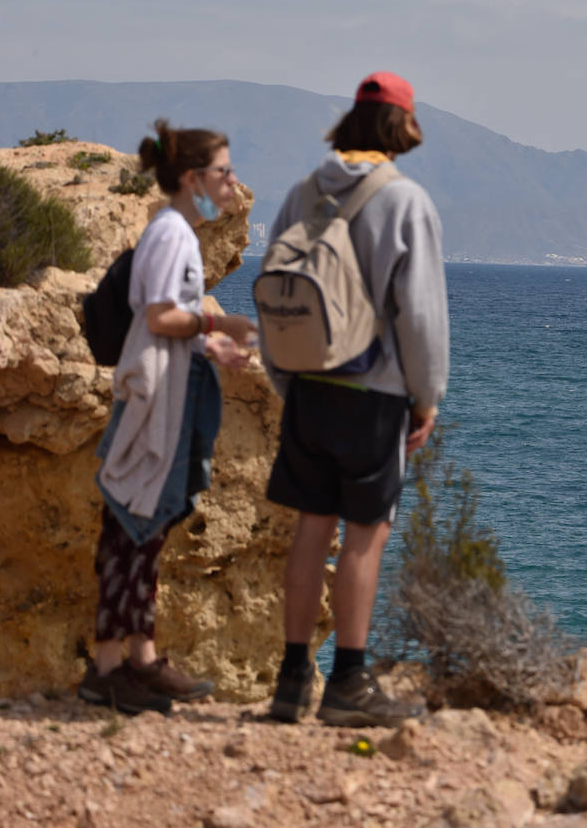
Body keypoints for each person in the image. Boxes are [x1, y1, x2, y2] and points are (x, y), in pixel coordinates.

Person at [264, 71, 449, 728]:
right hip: (374, 395)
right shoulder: (406, 203)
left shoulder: (300, 195)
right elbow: (420, 317)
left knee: (310, 530)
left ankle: (290, 683)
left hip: (308, 387)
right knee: (364, 536)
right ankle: (348, 682)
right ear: (402, 126)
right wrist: (425, 400)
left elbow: (274, 290)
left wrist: (286, 381)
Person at [78, 120, 257, 715]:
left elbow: (167, 322)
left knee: (143, 531)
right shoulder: (172, 234)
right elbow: (158, 317)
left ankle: (138, 659)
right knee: (131, 529)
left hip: (166, 394)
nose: (231, 183)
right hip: (152, 402)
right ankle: (111, 667)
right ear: (191, 178)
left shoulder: (175, 232)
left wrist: (212, 348)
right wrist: (217, 325)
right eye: (222, 172)